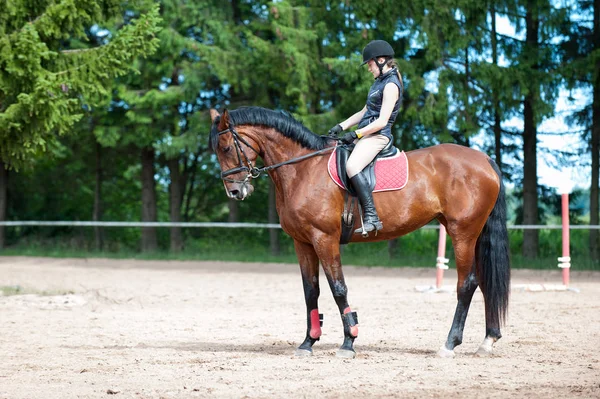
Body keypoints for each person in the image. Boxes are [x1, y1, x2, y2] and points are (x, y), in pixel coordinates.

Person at [328, 39, 403, 235]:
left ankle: (371, 216)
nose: (369, 69)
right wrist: (341, 126)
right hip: (366, 135)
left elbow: (382, 121)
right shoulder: (378, 83)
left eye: (369, 64)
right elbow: (364, 112)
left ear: (380, 60)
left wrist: (355, 134)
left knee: (352, 166)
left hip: (377, 136)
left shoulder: (391, 85)